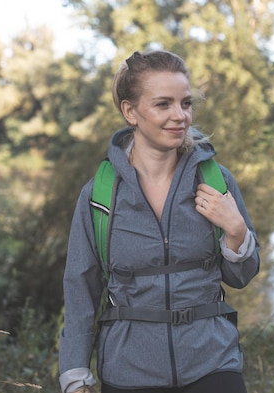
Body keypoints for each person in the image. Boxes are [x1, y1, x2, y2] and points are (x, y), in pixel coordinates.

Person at [58, 49, 260, 393]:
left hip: (213, 364)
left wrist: (237, 232)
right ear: (130, 111)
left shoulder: (214, 179)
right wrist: (74, 373)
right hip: (128, 371)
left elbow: (241, 276)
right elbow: (81, 287)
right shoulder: (100, 194)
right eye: (163, 104)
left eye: (186, 103)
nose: (180, 116)